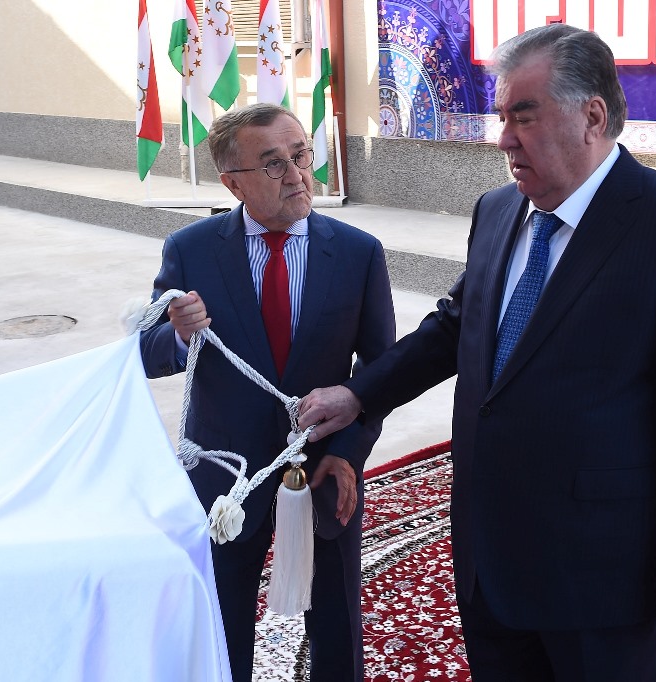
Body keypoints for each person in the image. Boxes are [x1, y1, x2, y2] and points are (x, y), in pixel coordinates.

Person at [298, 24, 656, 681]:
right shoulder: (497, 210)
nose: (504, 138)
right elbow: (459, 325)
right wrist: (359, 393)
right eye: (502, 116)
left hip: (604, 577)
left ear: (592, 116)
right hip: (491, 559)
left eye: (524, 115)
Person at [139, 103, 396, 682]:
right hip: (227, 481)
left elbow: (379, 371)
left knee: (336, 620)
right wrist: (179, 336)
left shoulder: (358, 253)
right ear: (233, 182)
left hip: (325, 466)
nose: (298, 175)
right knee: (222, 621)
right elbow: (146, 352)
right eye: (274, 164)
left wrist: (347, 452)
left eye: (301, 155)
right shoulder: (191, 250)